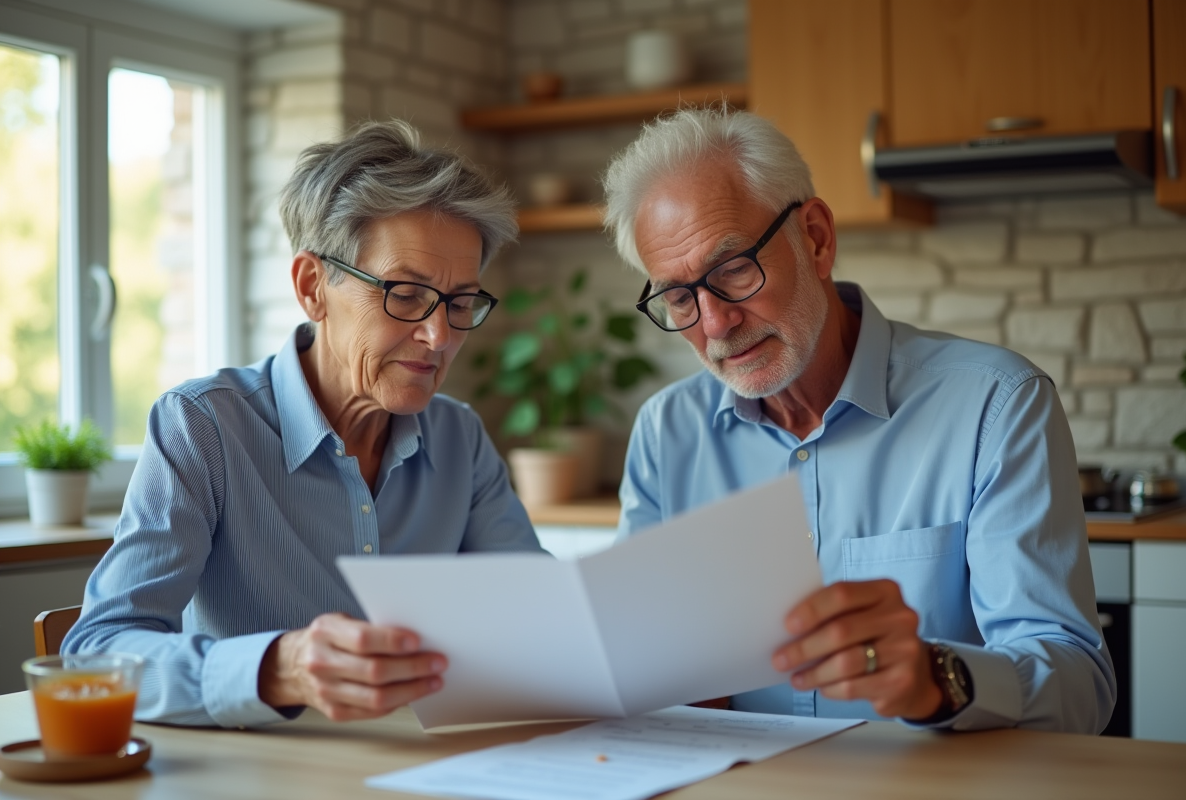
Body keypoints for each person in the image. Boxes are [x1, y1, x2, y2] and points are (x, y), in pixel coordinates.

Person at [601, 107, 1115, 733]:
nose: (715, 325)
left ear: (815, 238)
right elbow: (640, 664)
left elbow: (1079, 687)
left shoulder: (996, 405)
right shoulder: (666, 434)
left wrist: (937, 678)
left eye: (734, 269)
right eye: (680, 297)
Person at [64, 120, 543, 728]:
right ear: (313, 287)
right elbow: (95, 654)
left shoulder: (460, 437)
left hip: (423, 768)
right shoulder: (203, 428)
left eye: (461, 301)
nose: (440, 335)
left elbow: (537, 616)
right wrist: (275, 668)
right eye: (405, 293)